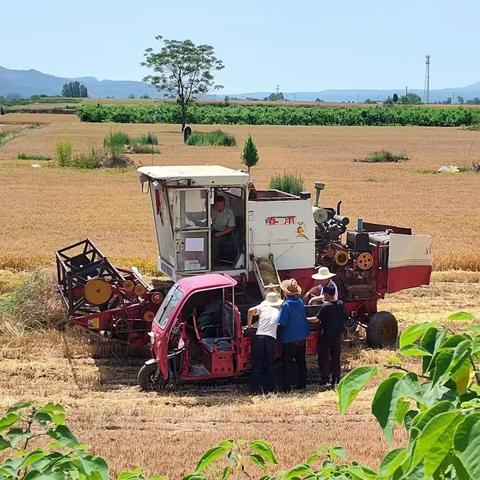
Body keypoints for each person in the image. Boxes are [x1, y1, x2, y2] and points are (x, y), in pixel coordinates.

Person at [308, 284, 347, 387]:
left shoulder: (326, 306)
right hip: (337, 336)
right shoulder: (341, 304)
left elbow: (316, 319)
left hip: (326, 337)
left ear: (327, 294)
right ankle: (336, 378)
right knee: (335, 359)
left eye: (324, 294)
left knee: (324, 359)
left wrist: (304, 318)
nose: (323, 296)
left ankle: (325, 380)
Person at [247, 291, 283, 394]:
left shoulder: (263, 306)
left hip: (259, 337)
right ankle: (270, 389)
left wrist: (249, 325)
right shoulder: (279, 309)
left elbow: (250, 311)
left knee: (256, 364)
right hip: (270, 339)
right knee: (269, 364)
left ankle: (254, 389)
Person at [277, 279, 310, 392]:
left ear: (285, 293)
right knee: (301, 361)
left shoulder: (286, 305)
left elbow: (282, 322)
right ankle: (302, 383)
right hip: (301, 337)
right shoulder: (300, 302)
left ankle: (286, 387)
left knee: (287, 362)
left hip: (289, 339)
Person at [211, 195, 236, 265]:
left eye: (221, 206)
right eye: (217, 206)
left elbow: (232, 227)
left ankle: (213, 263)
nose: (219, 208)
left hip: (225, 233)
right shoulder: (211, 208)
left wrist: (220, 234)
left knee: (214, 241)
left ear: (224, 204)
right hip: (213, 230)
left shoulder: (229, 212)